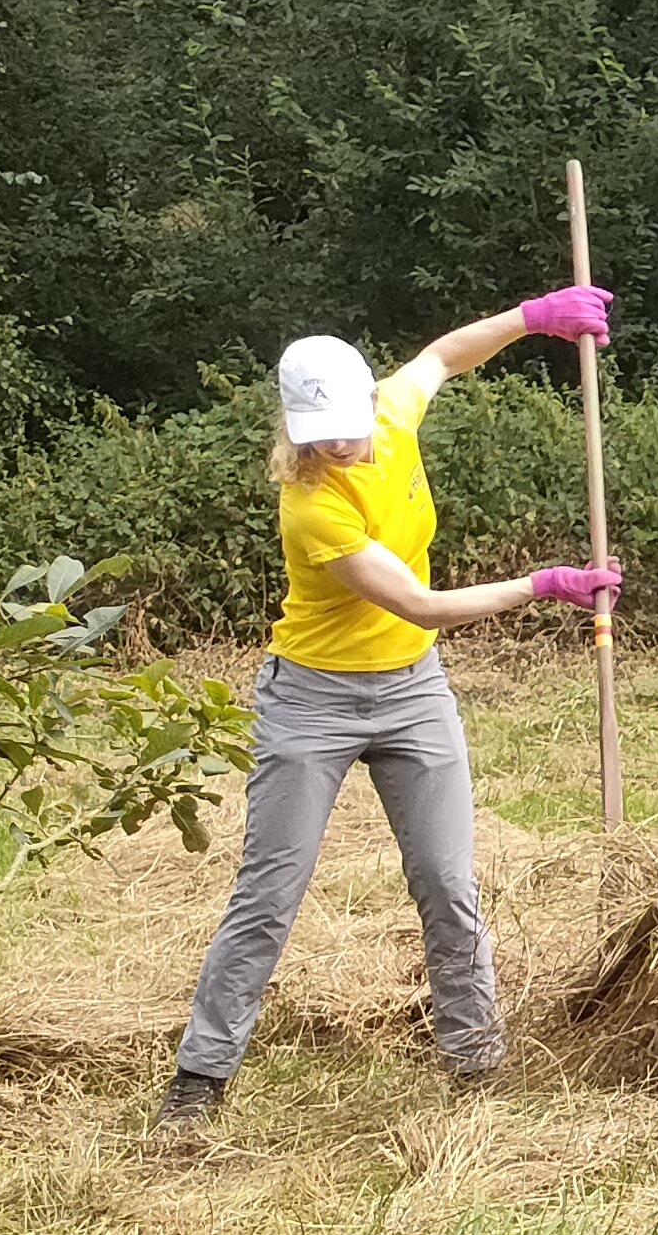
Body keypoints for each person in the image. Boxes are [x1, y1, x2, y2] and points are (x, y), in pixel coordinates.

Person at [154, 290, 623, 1132]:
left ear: (366, 399)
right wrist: (542, 586)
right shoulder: (312, 503)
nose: (336, 444)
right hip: (312, 699)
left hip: (412, 693)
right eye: (317, 433)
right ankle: (200, 1078)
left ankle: (475, 1063)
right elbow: (418, 604)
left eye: (344, 424)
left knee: (448, 884)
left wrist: (533, 317)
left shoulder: (393, 413)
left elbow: (444, 354)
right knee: (270, 893)